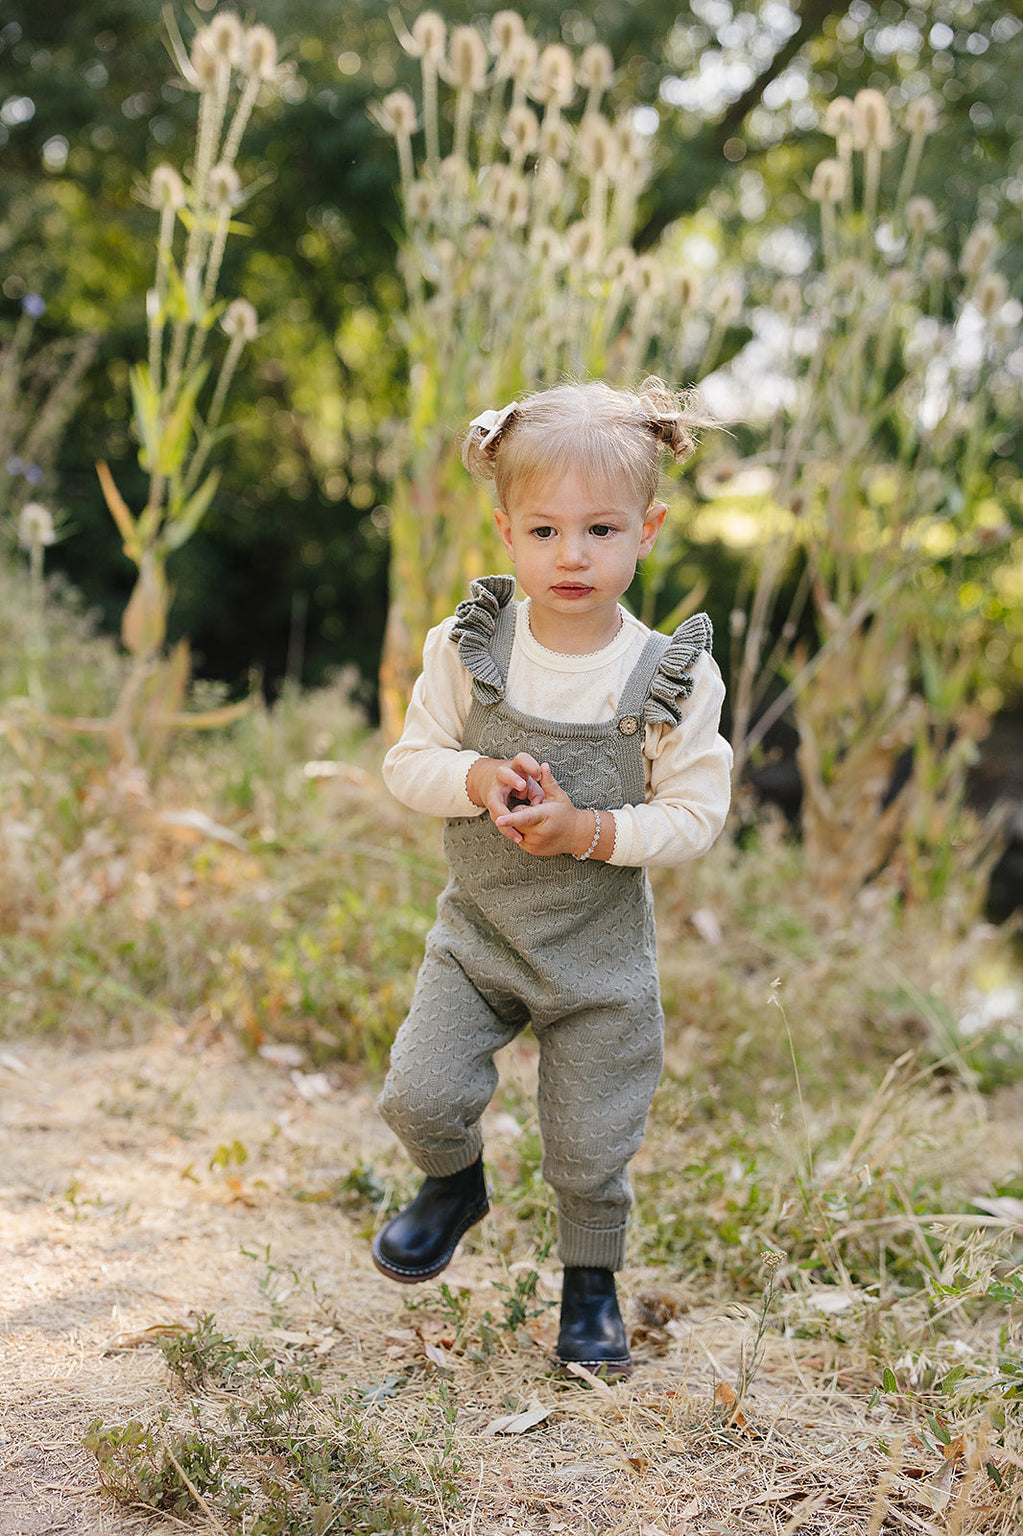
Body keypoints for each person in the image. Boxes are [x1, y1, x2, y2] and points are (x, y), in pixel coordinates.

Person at [374, 377, 732, 1378]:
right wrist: (478, 774)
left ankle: (590, 1289)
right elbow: (407, 763)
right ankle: (452, 1187)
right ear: (506, 531)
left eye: (601, 529)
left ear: (647, 530)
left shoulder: (670, 675)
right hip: (480, 936)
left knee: (589, 1143)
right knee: (418, 1093)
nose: (571, 555)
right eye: (544, 530)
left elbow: (696, 815)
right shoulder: (469, 648)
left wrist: (587, 830)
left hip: (597, 956)